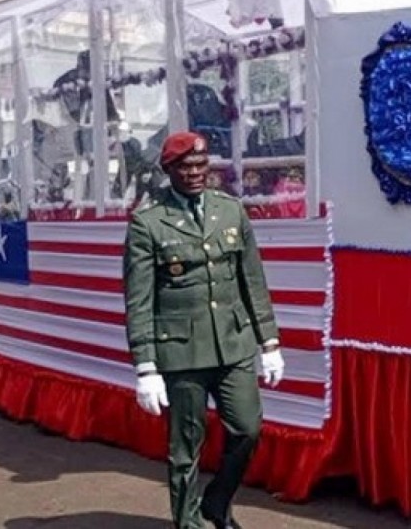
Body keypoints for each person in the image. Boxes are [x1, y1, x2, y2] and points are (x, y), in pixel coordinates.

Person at [123, 131, 286, 529]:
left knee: (247, 428)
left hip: (233, 344)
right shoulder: (148, 222)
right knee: (185, 447)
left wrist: (270, 341)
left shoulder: (229, 211)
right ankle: (188, 522)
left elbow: (253, 280)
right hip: (181, 351)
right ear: (169, 170)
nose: (195, 173)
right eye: (185, 166)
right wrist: (145, 366)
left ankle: (217, 501)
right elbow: (139, 299)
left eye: (201, 165)